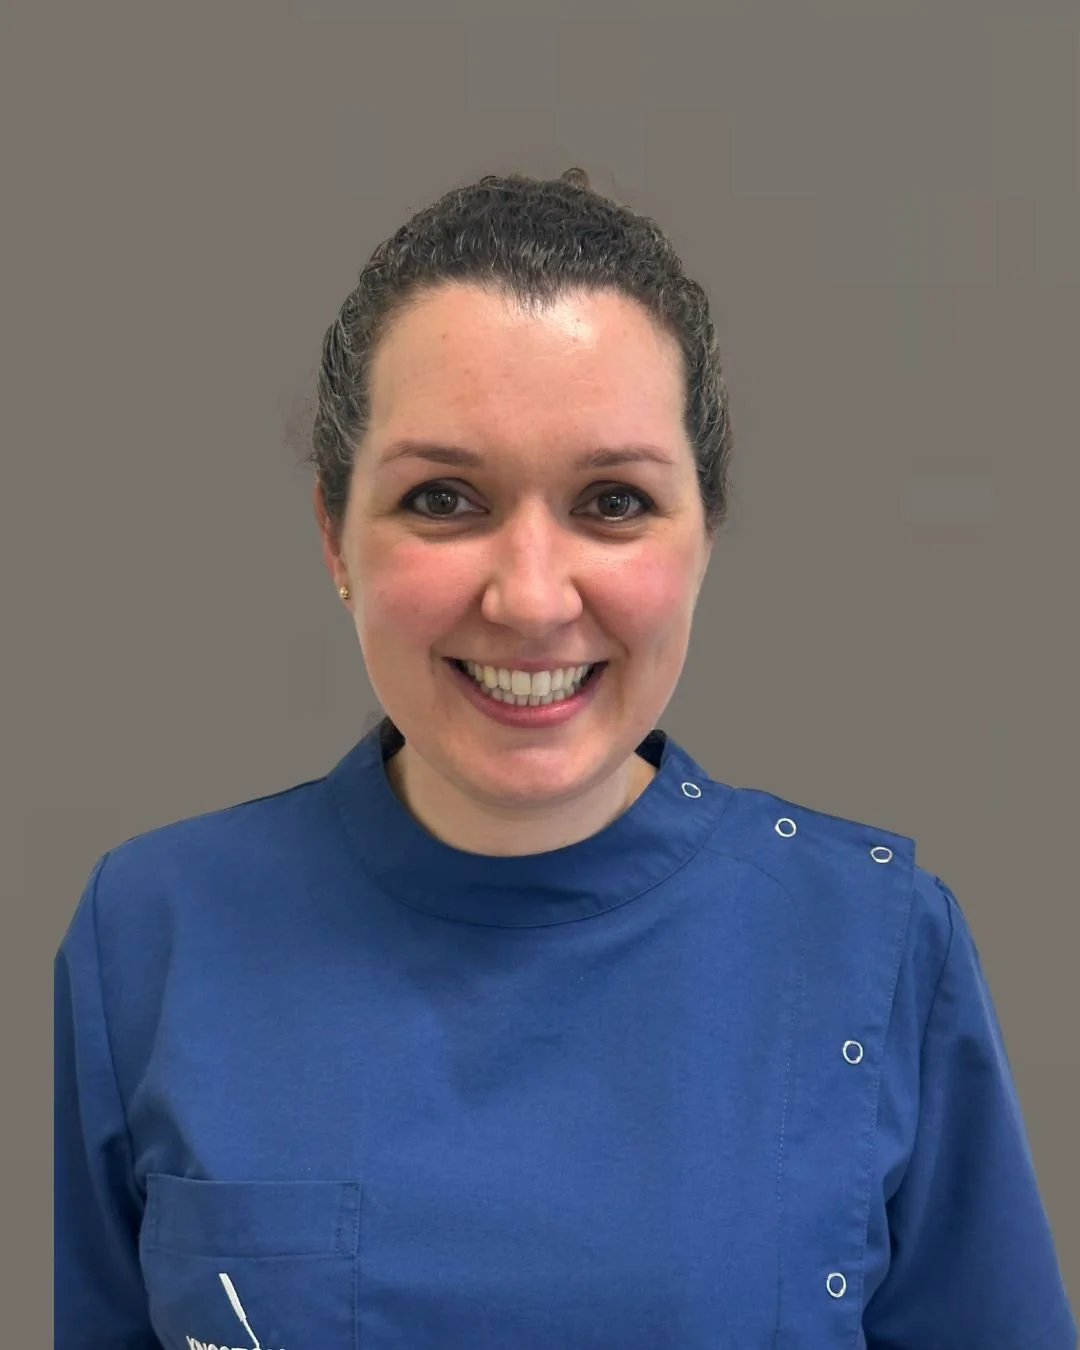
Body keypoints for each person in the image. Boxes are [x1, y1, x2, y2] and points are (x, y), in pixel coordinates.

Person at [54, 168, 1076, 1350]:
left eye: (613, 501)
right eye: (443, 497)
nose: (532, 599)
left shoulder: (877, 942)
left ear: (706, 532)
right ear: (335, 534)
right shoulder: (149, 935)